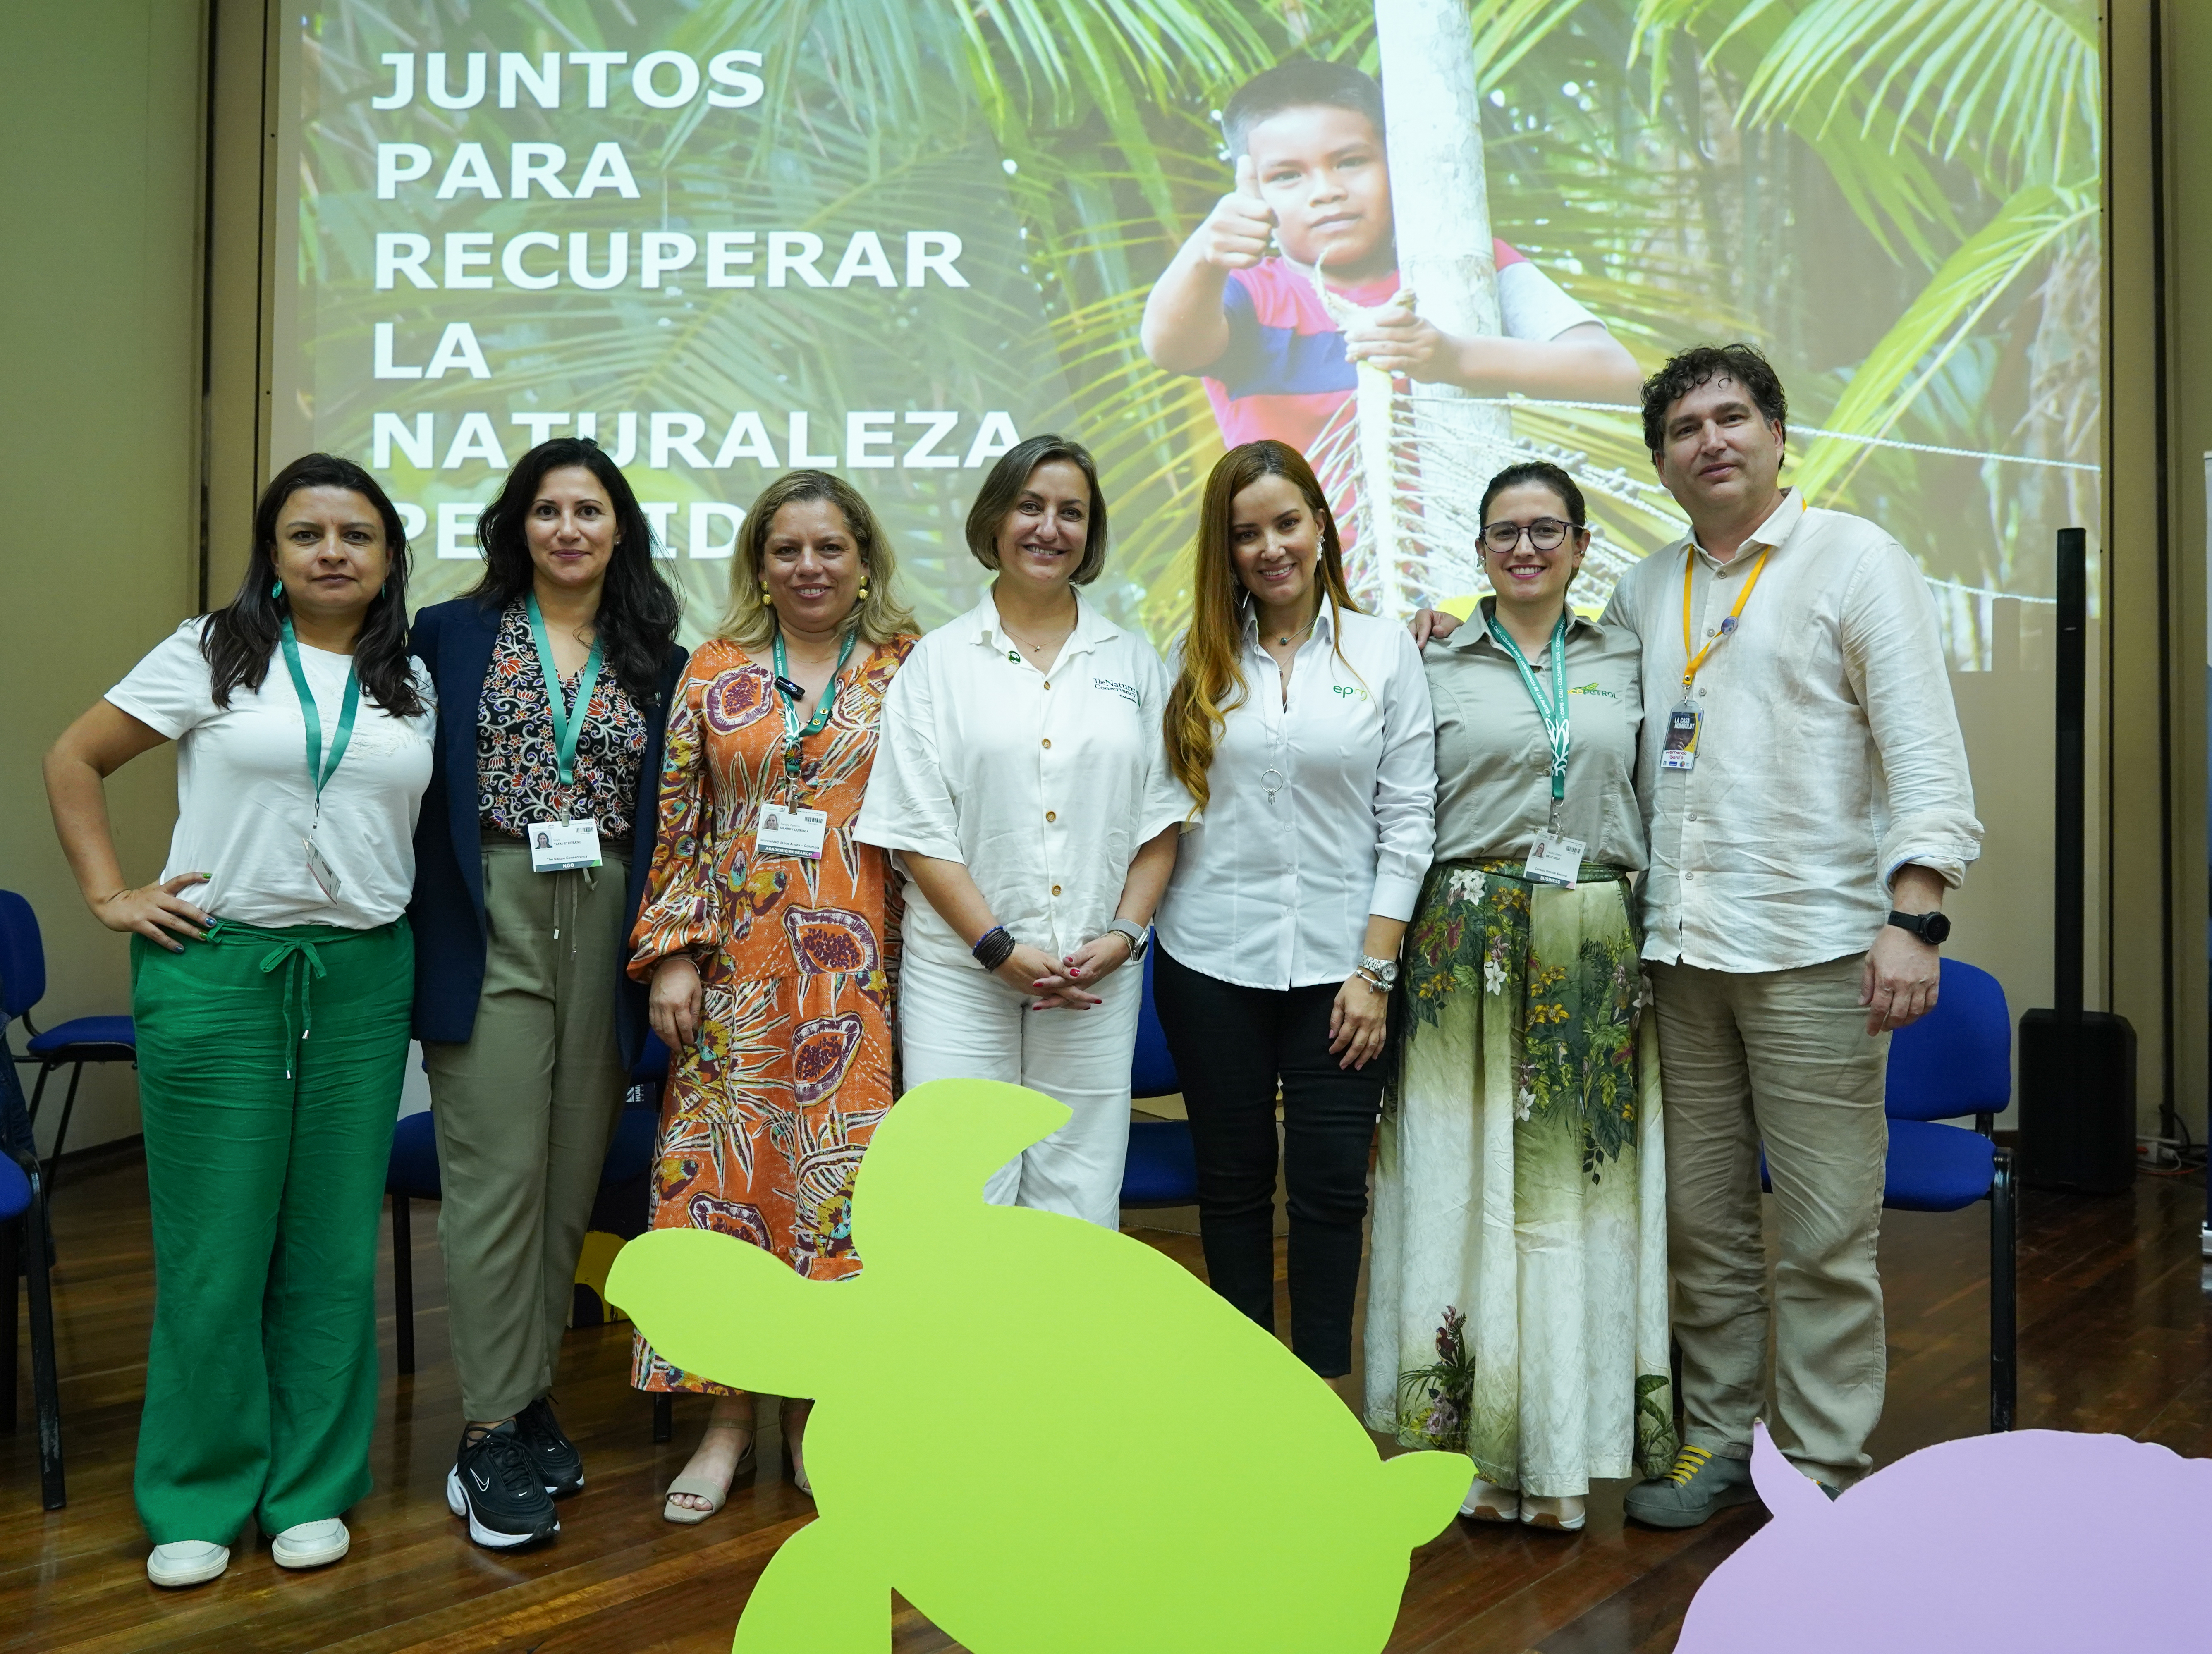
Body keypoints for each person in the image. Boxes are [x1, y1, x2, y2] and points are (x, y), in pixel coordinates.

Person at [1563, 344, 1971, 1523]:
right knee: (1703, 1228)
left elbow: (1925, 760)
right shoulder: (1645, 591)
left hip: (1817, 955)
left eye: (1731, 417)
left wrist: (1914, 919)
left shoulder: (1854, 561)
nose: (1710, 441)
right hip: (1679, 959)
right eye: (1683, 428)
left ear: (1777, 436)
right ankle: (1710, 1442)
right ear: (1660, 461)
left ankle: (1822, 1471)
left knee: (1826, 1237)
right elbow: (1571, 712)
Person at [43, 455, 435, 1587]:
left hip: (362, 977)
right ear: (272, 552)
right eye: (306, 533)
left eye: (356, 535)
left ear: (387, 558)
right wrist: (111, 895)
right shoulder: (210, 652)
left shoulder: (411, 677)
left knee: (326, 1248)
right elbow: (75, 758)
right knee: (215, 1252)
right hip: (218, 971)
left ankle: (311, 1488)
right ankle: (198, 1496)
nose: (331, 552)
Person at [1368, 460, 1673, 1534]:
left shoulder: (1627, 656)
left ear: (1581, 546)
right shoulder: (1430, 655)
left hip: (1590, 946)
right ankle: (1467, 1453)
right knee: (1464, 1193)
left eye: (1547, 530)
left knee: (1571, 1208)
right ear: (1479, 548)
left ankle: (1565, 1443)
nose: (1526, 548)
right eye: (1504, 531)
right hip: (1462, 947)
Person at [408, 436, 686, 1551]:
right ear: (515, 526)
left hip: (607, 920)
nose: (568, 530)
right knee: (493, 1182)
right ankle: (484, 1437)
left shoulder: (655, 653)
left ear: (620, 529)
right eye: (546, 511)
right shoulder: (450, 634)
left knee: (569, 1176)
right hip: (496, 915)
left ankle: (526, 1397)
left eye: (590, 511)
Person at [629, 470, 919, 1522]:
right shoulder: (713, 669)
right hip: (735, 982)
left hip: (862, 984)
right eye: (788, 548)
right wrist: (671, 953)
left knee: (836, 1199)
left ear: (863, 559)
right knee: (726, 1196)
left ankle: (815, 1409)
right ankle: (727, 1421)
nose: (809, 567)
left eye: (830, 548)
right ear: (760, 560)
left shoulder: (909, 666)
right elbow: (677, 822)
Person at [1151, 439, 1433, 1403]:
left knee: (1327, 1188)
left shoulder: (1386, 649)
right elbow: (1160, 813)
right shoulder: (1188, 660)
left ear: (1321, 528)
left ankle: (1316, 1395)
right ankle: (1242, 1401)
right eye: (1246, 533)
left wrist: (1376, 970)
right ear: (1223, 551)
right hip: (1209, 959)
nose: (1270, 547)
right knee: (1229, 1186)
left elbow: (1408, 821)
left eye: (1286, 523)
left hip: (1341, 969)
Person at [858, 435, 1187, 1229]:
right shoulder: (937, 663)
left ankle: (1061, 1359)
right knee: (962, 1194)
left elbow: (1161, 821)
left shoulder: (1134, 663)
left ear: (1090, 532)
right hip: (960, 974)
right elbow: (917, 831)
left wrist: (1122, 936)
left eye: (1070, 512)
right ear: (994, 522)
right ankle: (965, 1359)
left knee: (1076, 1196)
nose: (1048, 528)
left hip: (1091, 976)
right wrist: (997, 949)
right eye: (1029, 506)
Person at [1140, 58, 1641, 464]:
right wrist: (1204, 254)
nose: (1327, 192)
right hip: (1304, 582)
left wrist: (1452, 359)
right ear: (1253, 187)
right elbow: (1170, 348)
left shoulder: (1468, 262)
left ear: (1396, 162)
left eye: (1351, 162)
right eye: (1288, 177)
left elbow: (1619, 376)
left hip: (1465, 574)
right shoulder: (1247, 291)